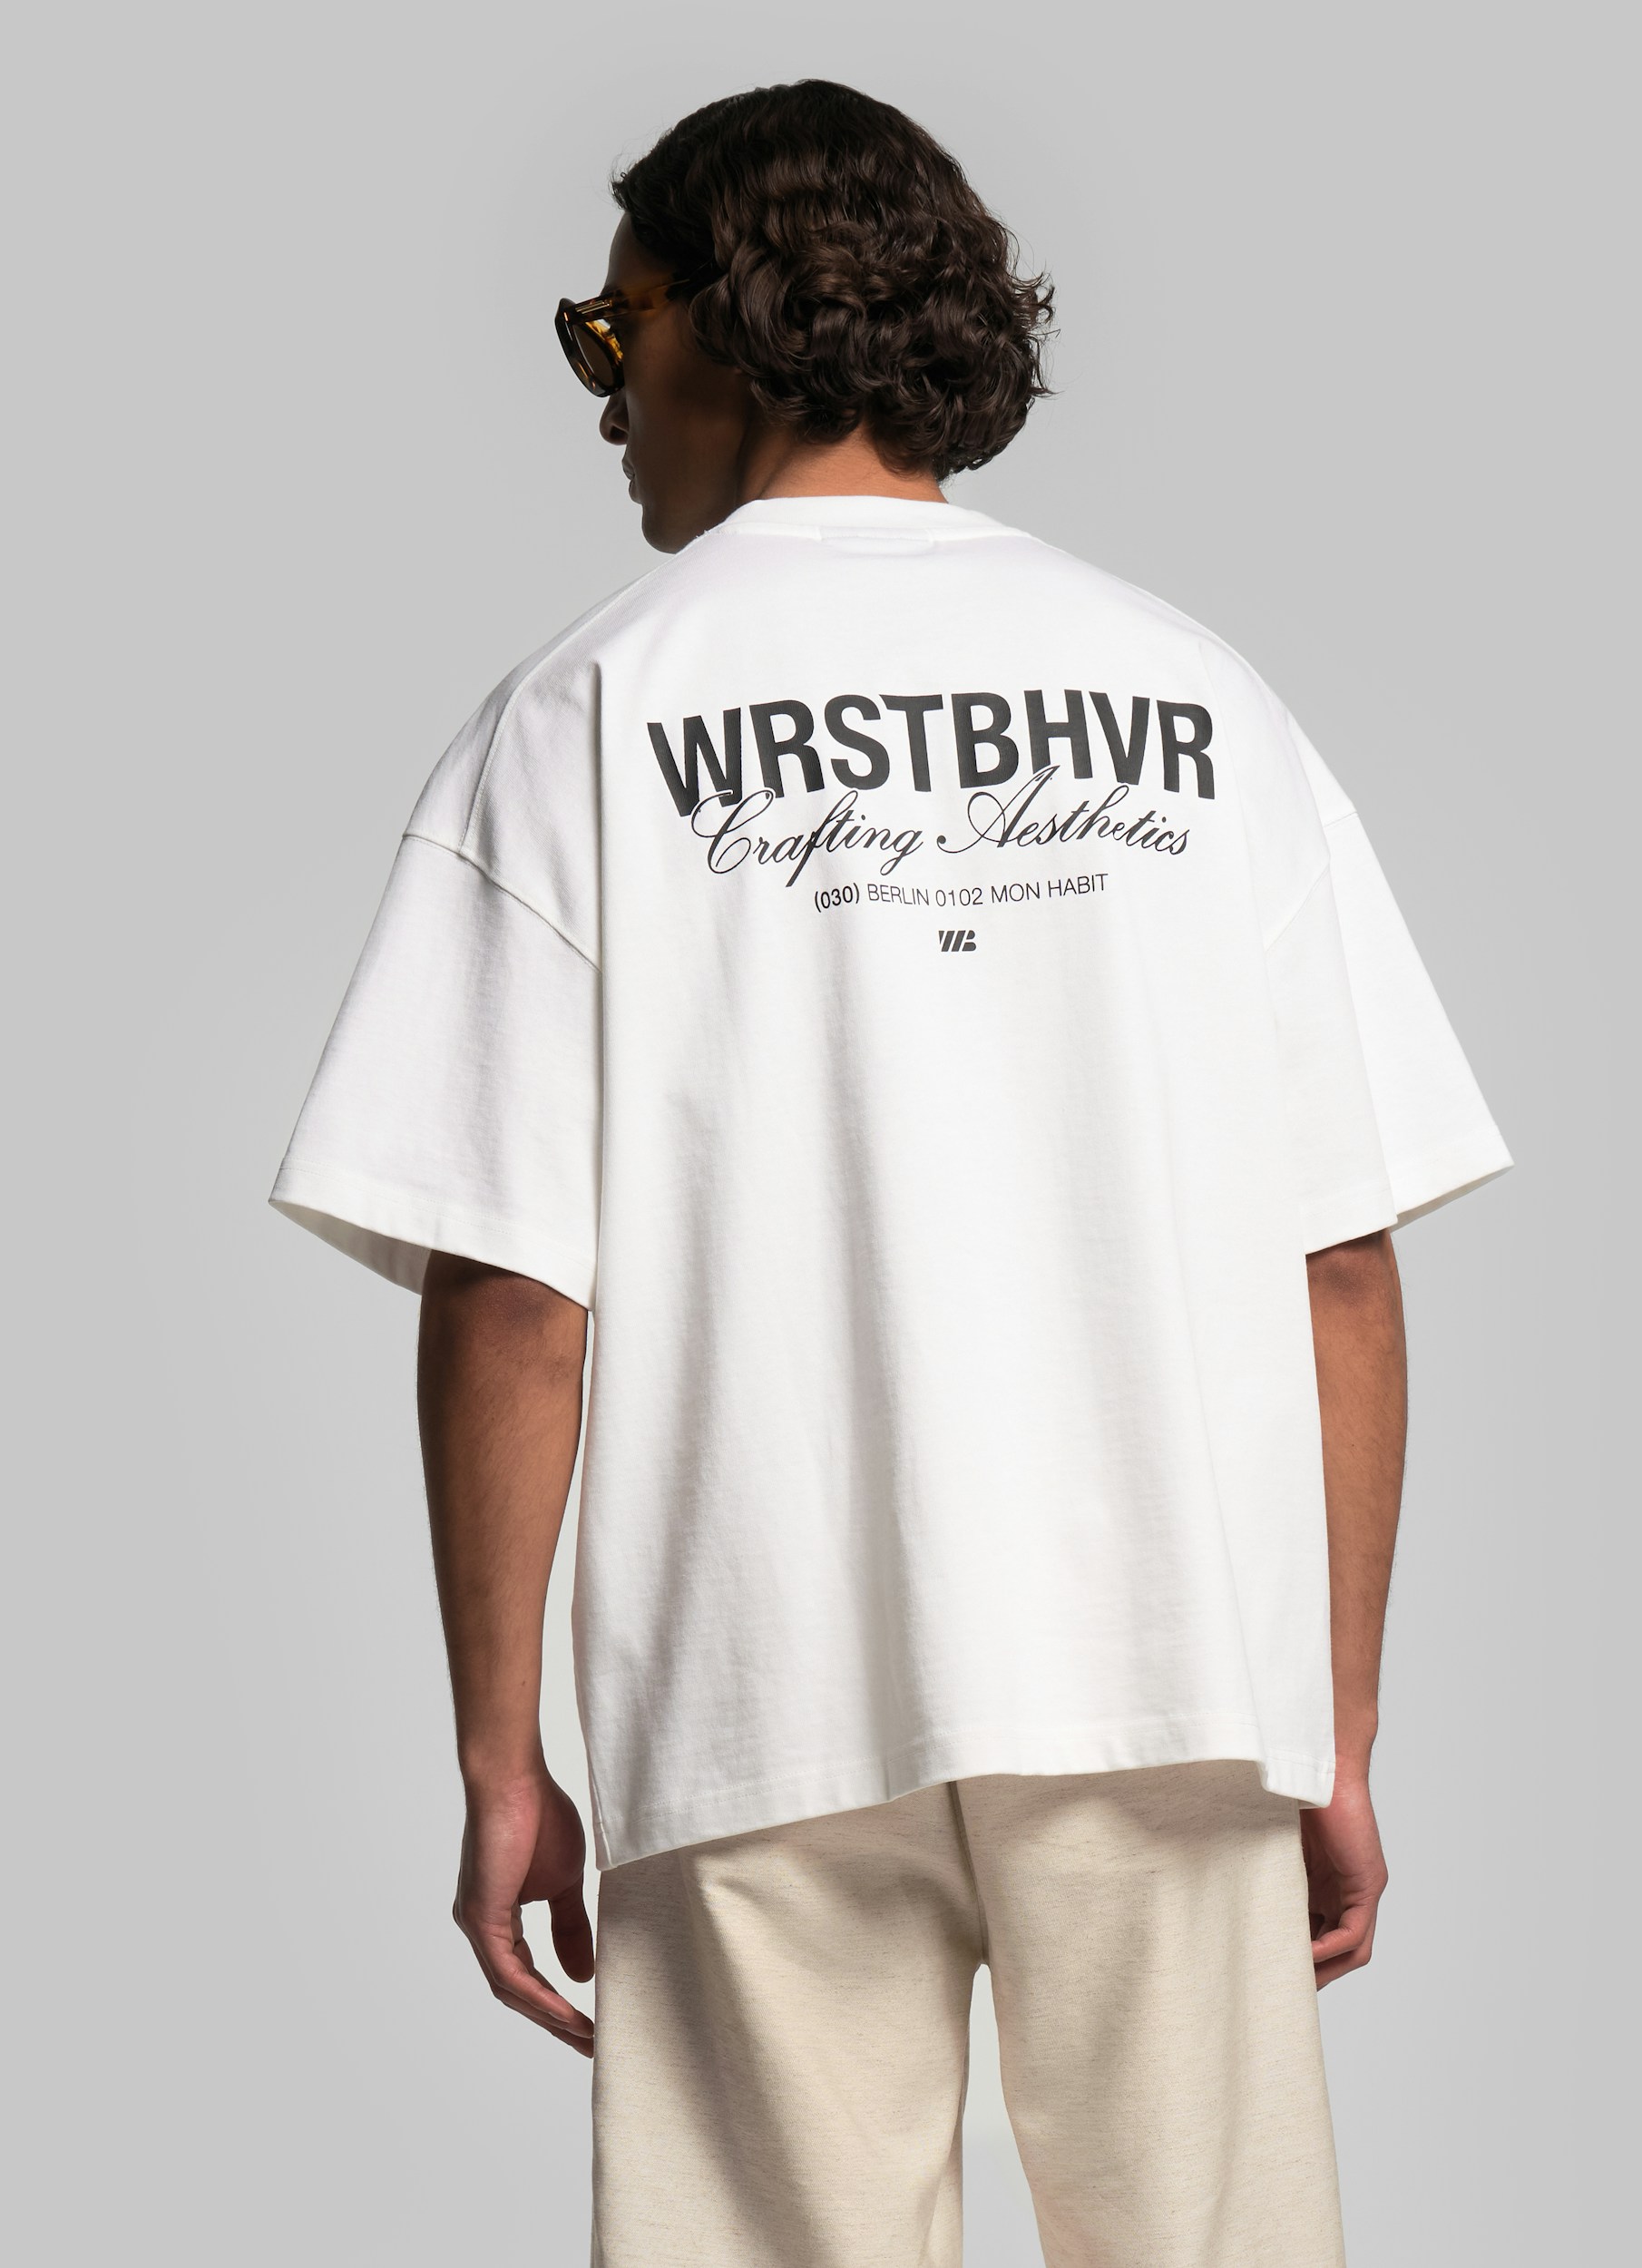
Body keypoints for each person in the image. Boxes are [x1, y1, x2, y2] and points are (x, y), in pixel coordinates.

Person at [272, 78, 1510, 2266]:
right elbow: (1335, 1255)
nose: (602, 394)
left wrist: (500, 1755)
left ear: (734, 320)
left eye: (611, 327)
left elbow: (515, 1293)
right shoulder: (1199, 706)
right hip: (1163, 1662)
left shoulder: (586, 716)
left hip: (758, 1674)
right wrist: (1332, 1721)